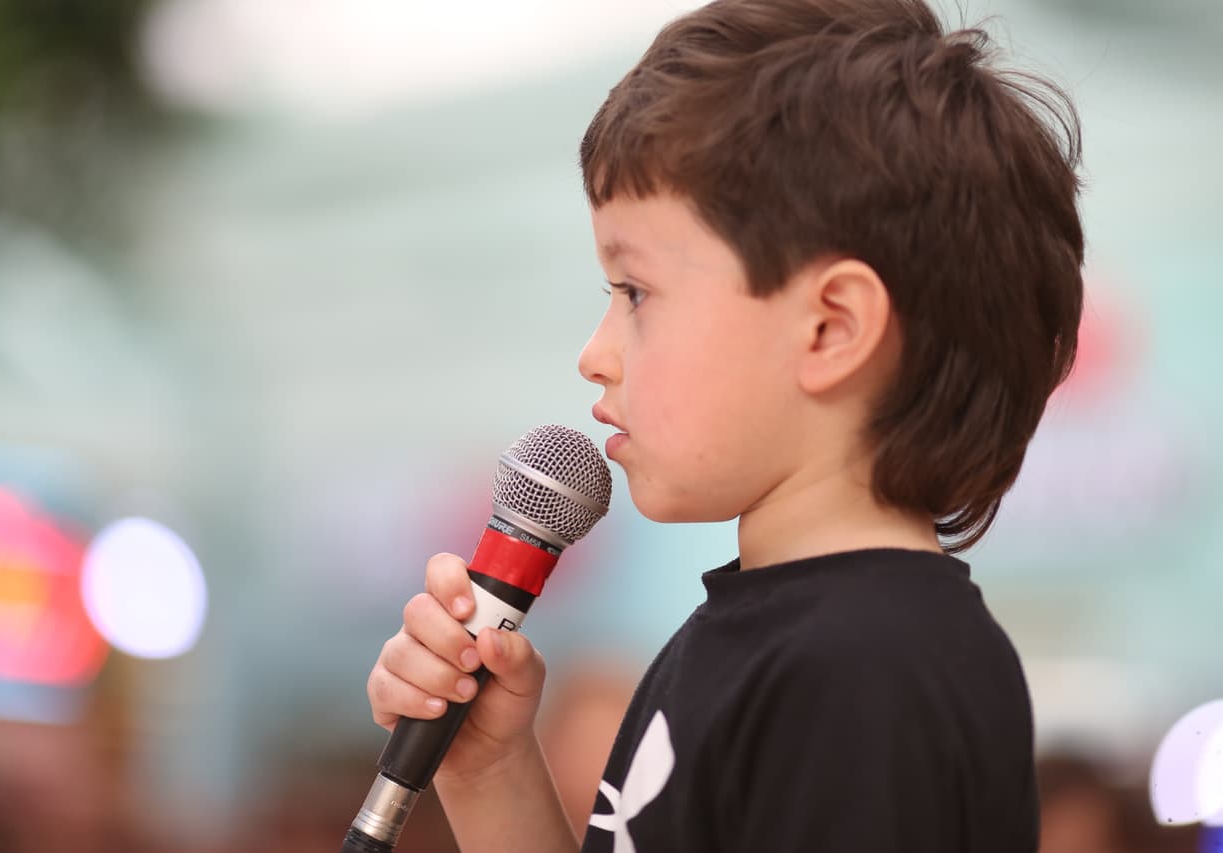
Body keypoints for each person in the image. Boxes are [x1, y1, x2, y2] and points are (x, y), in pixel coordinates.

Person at [366, 0, 1084, 849]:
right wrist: (489, 768)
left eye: (635, 292)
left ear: (831, 327)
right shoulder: (777, 635)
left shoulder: (863, 672)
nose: (595, 355)